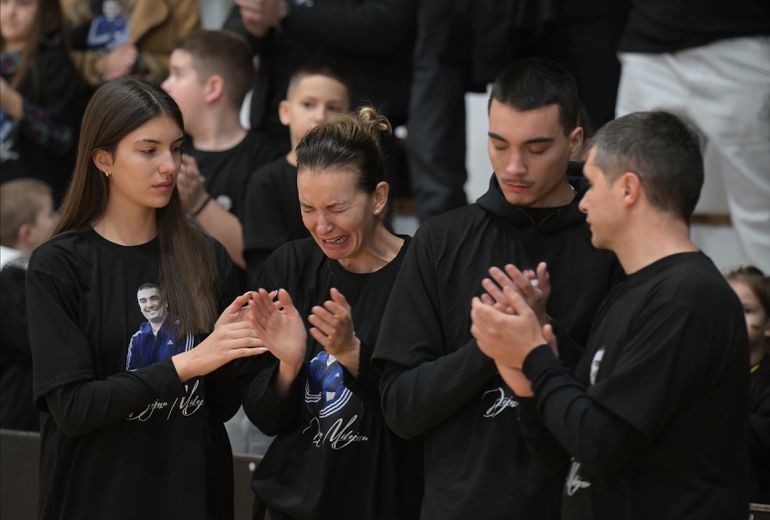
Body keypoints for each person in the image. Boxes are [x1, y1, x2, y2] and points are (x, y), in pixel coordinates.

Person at [372, 58, 621, 519]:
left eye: (536, 148)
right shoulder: (440, 239)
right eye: (498, 143)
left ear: (575, 144)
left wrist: (541, 337)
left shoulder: (611, 242)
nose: (514, 166)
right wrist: (491, 345)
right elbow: (400, 409)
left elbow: (622, 409)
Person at [471, 111, 749, 519]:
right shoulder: (631, 294)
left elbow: (600, 444)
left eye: (592, 183)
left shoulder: (687, 298)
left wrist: (534, 356)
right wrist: (529, 378)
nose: (582, 201)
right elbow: (569, 452)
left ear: (629, 189)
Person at [25, 77, 266, 520]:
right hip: (96, 498)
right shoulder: (58, 265)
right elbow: (74, 408)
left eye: (176, 148)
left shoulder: (205, 255)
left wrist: (245, 347)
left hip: (194, 494)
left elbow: (222, 404)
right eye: (149, 150)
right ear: (104, 160)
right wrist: (188, 362)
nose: (170, 166)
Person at [237, 107, 422, 519]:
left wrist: (353, 354)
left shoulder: (421, 273)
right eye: (307, 208)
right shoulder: (290, 267)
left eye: (336, 209)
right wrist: (288, 365)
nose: (321, 227)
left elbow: (420, 413)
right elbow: (265, 418)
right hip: (290, 502)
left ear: (378, 197)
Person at [614, 0, 770, 273]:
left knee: (761, 213)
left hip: (741, 42)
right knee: (631, 198)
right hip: (648, 46)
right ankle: (648, 310)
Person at [162, 29, 279, 271]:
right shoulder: (167, 151)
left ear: (212, 87)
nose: (165, 85)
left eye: (177, 74)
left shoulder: (266, 160)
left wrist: (200, 203)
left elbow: (261, 260)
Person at [242, 60, 350, 286]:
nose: (320, 116)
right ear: (285, 112)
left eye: (333, 108)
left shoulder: (358, 179)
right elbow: (265, 268)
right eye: (309, 104)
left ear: (348, 118)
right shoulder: (266, 183)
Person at [1, 0, 83, 203]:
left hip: (33, 200)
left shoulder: (55, 63)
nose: (10, 12)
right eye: (3, 2)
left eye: (23, 4)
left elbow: (65, 139)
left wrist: (11, 102)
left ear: (45, 10)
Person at [0, 178, 56, 431]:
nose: (56, 220)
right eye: (49, 214)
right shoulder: (12, 280)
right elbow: (40, 340)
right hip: (13, 415)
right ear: (27, 233)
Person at [62, 0, 200, 87]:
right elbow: (45, 55)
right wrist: (97, 65)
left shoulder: (181, 4)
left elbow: (195, 65)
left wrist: (141, 63)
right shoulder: (66, 5)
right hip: (78, 106)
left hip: (147, 106)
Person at [727, 266, 770, 504]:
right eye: (726, 306)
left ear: (768, 325)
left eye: (746, 310)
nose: (732, 315)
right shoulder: (703, 372)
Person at [126, 283, 191, 370]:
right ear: (140, 307)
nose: (149, 305)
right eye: (143, 301)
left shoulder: (184, 329)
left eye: (154, 298)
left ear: (165, 302)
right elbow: (132, 378)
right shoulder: (136, 338)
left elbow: (187, 370)